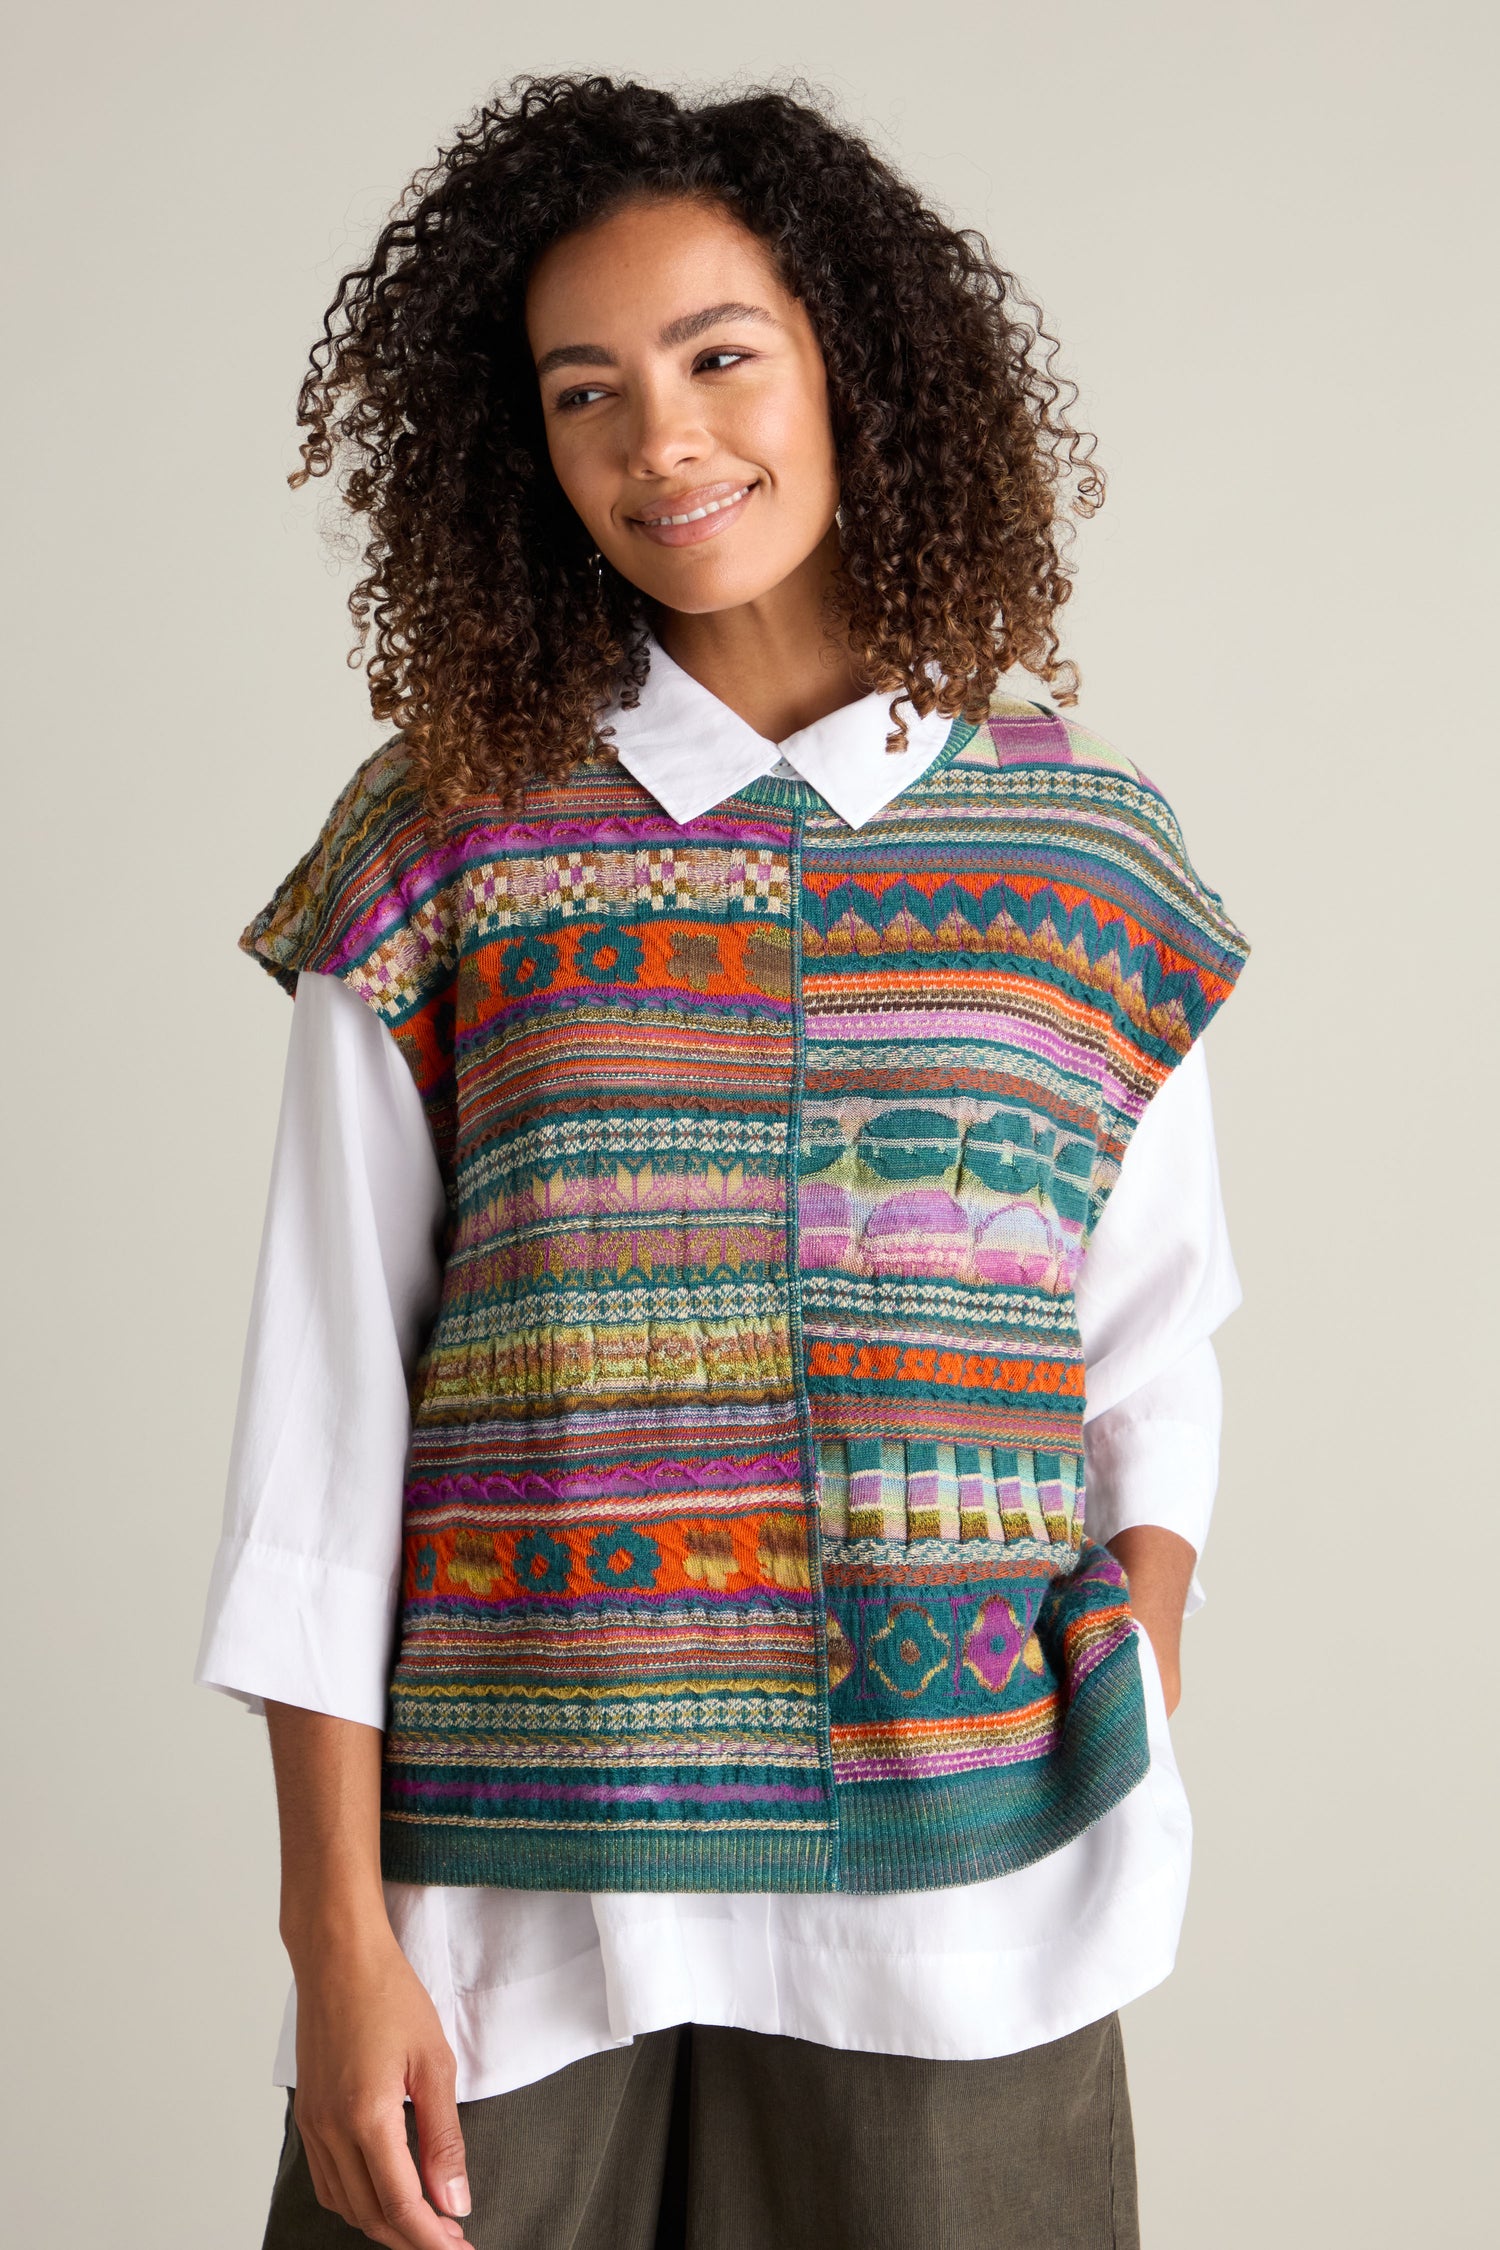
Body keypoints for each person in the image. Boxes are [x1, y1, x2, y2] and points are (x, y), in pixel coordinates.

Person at [195, 71, 1248, 2250]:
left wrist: (1130, 1655)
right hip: (510, 1897)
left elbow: (1150, 1344)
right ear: (528, 450)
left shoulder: (1083, 851)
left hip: (966, 1909)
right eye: (585, 392)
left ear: (850, 357)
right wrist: (334, 1938)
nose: (659, 441)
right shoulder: (449, 840)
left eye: (716, 356)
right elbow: (323, 1429)